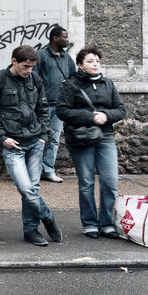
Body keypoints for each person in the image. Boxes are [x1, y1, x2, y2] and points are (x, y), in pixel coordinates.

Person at [0, 45, 62, 246]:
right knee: (26, 188)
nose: (29, 70)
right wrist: (2, 138)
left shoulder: (35, 79)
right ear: (14, 61)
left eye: (32, 67)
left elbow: (43, 109)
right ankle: (47, 217)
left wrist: (43, 136)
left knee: (33, 188)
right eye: (25, 66)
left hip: (35, 141)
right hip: (13, 144)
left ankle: (31, 230)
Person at [56, 46, 126, 239]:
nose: (95, 64)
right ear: (80, 65)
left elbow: (121, 109)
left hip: (105, 136)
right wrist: (90, 117)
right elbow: (62, 110)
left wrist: (106, 115)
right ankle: (89, 224)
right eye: (90, 61)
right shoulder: (71, 85)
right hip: (82, 137)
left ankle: (107, 223)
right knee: (86, 182)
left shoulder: (108, 83)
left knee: (110, 182)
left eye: (97, 61)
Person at [34, 25, 76, 184]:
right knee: (38, 138)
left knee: (54, 139)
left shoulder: (67, 57)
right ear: (55, 38)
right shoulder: (41, 55)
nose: (67, 40)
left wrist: (68, 83)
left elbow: (74, 77)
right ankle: (35, 170)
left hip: (59, 106)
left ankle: (48, 170)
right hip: (42, 106)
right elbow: (33, 78)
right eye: (64, 37)